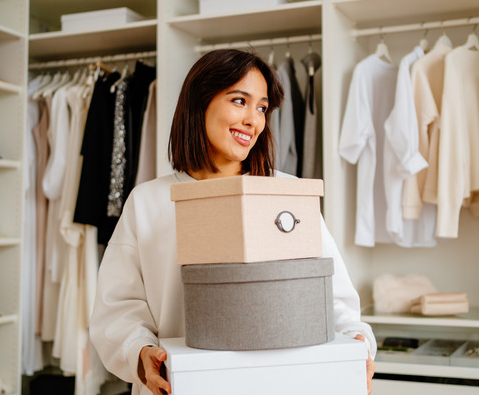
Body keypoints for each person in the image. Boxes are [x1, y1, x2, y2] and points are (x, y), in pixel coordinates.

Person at [89, 49, 377, 395]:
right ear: (200, 102)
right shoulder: (148, 201)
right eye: (239, 101)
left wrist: (356, 343)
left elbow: (332, 299)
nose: (254, 120)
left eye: (262, 107)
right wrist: (140, 353)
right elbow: (117, 307)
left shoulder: (287, 195)